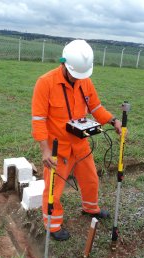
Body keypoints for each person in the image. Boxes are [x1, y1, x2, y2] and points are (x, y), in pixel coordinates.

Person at [31, 39, 122, 241]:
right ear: (63, 63)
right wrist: (45, 150)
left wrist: (112, 120)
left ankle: (91, 208)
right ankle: (52, 225)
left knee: (91, 179)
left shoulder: (85, 81)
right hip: (57, 148)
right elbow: (38, 120)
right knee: (54, 188)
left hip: (80, 144)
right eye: (73, 74)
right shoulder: (45, 83)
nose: (76, 79)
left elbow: (95, 107)